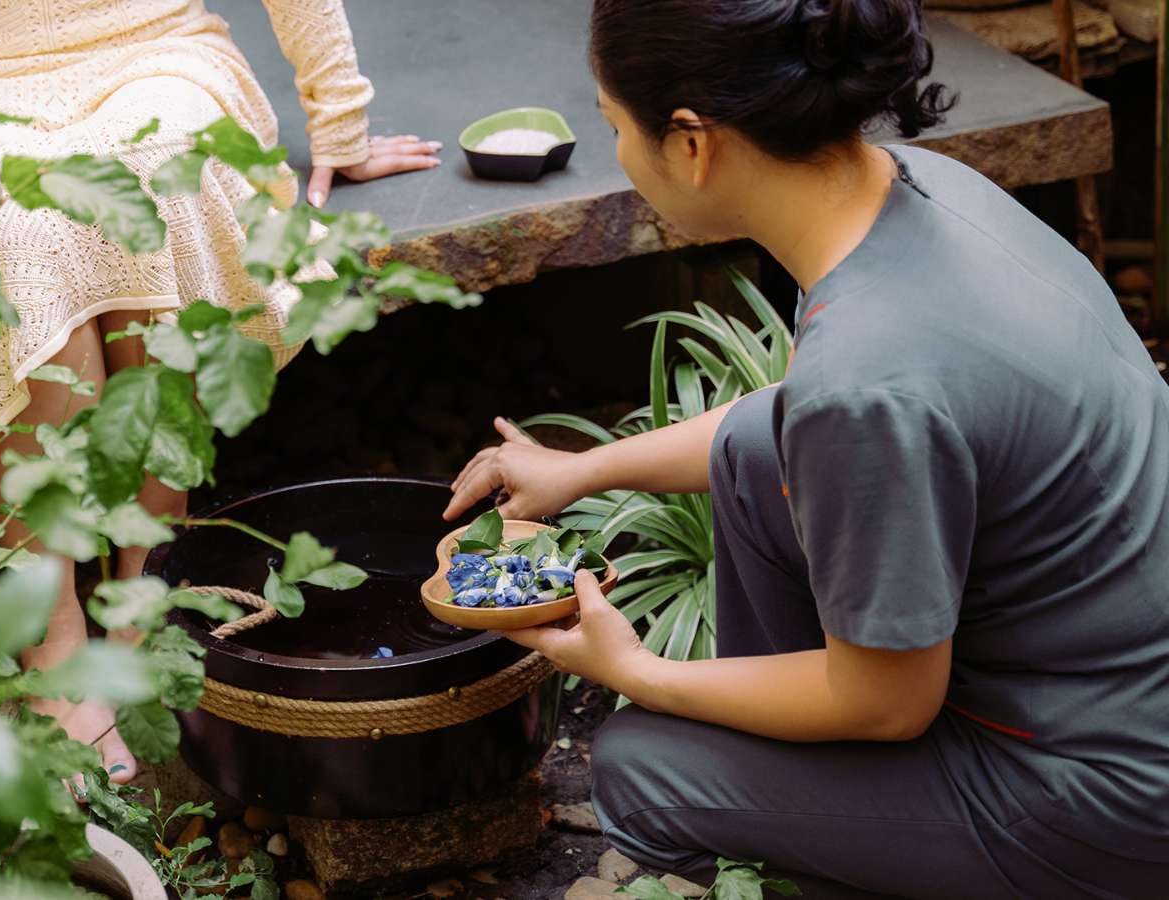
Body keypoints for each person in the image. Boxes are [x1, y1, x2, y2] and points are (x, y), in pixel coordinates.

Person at [445, 0, 1169, 896]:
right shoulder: (911, 190)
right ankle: (829, 796)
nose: (618, 159)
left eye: (613, 127)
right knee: (754, 450)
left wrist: (637, 670)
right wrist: (582, 469)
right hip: (1119, 682)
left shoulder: (867, 380)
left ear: (691, 143)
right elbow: (807, 415)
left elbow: (888, 703)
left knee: (645, 764)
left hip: (1101, 794)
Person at [0, 0, 440, 783]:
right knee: (19, 238)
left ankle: (147, 594)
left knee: (154, 181)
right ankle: (51, 634)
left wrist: (340, 125)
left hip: (155, 56)